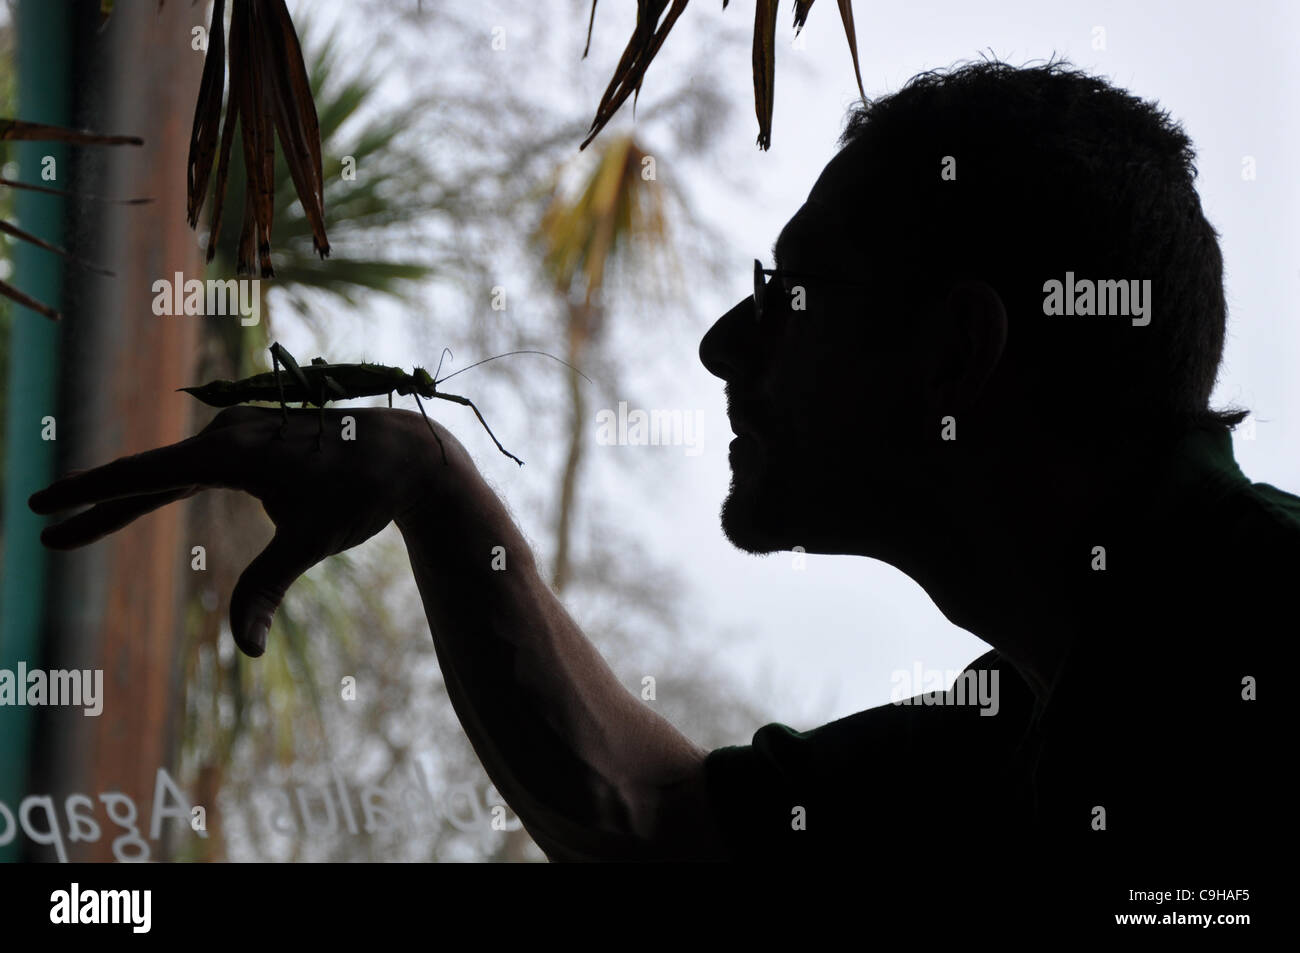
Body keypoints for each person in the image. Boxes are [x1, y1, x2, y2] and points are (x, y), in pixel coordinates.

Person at [30, 61, 1293, 874]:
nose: (721, 341)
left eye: (792, 295)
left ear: (955, 355)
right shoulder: (1017, 721)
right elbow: (653, 823)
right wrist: (424, 475)